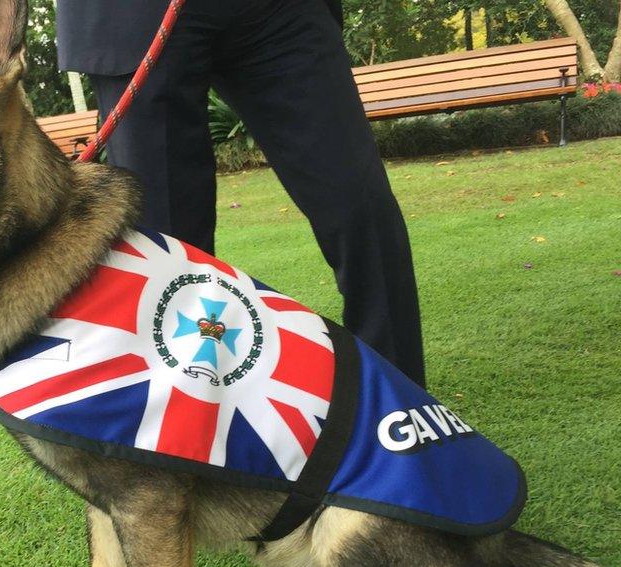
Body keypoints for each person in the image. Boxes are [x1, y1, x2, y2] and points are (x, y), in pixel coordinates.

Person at [56, 0, 426, 387]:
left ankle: (404, 404)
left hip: (276, 12)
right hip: (131, 15)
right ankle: (190, 420)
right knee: (168, 253)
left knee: (359, 202)